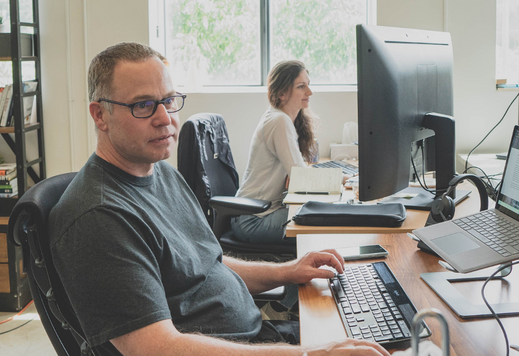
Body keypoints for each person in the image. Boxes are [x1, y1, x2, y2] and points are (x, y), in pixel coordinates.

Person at [48, 42, 389, 356]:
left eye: (168, 100)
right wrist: (313, 353)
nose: (165, 118)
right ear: (99, 115)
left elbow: (208, 263)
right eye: (143, 105)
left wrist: (289, 271)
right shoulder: (98, 217)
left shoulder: (160, 172)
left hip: (255, 337)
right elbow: (156, 348)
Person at [231, 60, 318, 245]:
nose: (309, 92)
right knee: (323, 222)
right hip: (253, 219)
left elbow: (296, 175)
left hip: (263, 213)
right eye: (301, 87)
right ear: (282, 94)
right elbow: (301, 177)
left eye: (308, 85)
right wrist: (343, 180)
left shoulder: (284, 119)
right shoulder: (279, 121)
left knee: (324, 213)